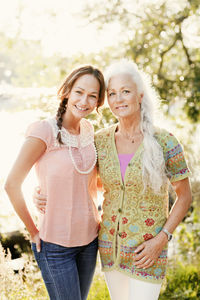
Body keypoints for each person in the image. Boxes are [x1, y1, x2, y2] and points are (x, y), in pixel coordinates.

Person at [34, 59, 192, 300]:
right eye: (112, 93)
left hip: (148, 250)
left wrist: (162, 238)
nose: (118, 99)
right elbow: (79, 178)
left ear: (140, 95)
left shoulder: (165, 141)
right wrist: (41, 191)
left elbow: (184, 196)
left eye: (125, 92)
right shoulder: (99, 141)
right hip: (110, 248)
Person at [4, 65, 105, 300]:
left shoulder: (90, 131)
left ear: (98, 102)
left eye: (92, 96)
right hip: (55, 247)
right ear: (67, 91)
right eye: (79, 92)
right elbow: (11, 184)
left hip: (90, 241)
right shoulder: (44, 130)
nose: (84, 101)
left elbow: (91, 181)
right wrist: (33, 231)